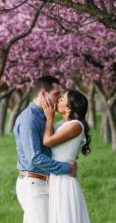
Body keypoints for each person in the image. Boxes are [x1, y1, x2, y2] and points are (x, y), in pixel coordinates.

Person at [14, 76, 77, 223]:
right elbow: (34, 158)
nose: (58, 99)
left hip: (45, 182)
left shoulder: (45, 117)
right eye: (56, 94)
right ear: (43, 93)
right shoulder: (29, 120)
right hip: (33, 185)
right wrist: (66, 167)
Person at [42, 89, 91, 223]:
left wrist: (49, 118)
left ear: (69, 108)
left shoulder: (75, 126)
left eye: (62, 99)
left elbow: (47, 141)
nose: (58, 100)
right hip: (56, 176)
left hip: (65, 179)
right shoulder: (60, 125)